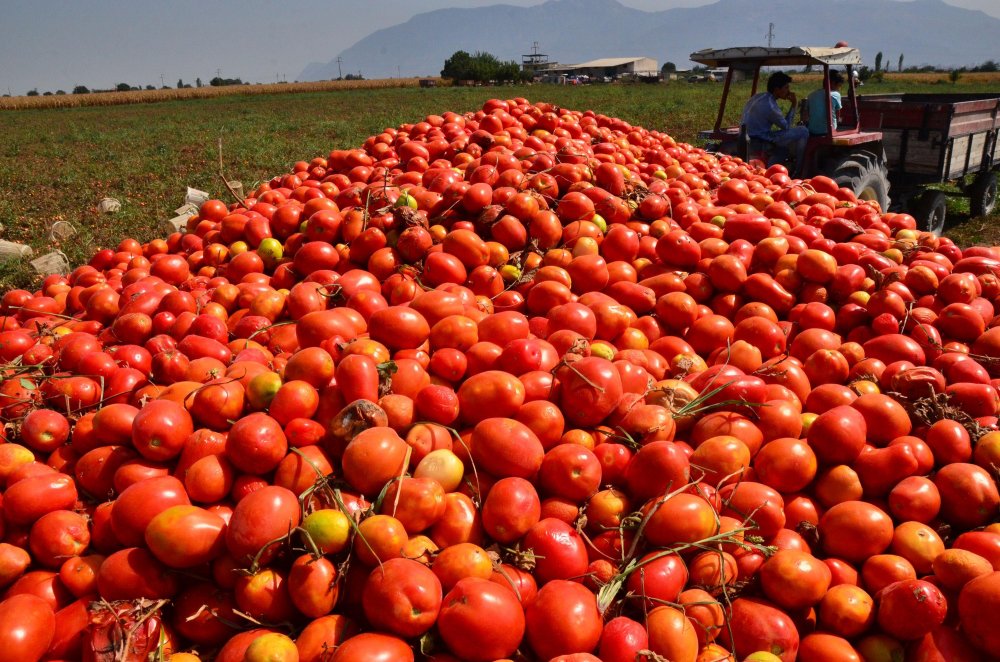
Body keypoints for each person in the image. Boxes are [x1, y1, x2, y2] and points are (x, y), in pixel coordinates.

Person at [741, 72, 809, 176]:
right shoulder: (771, 105)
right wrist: (794, 105)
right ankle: (799, 171)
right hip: (760, 137)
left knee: (783, 148)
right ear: (777, 89)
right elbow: (786, 126)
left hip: (746, 134)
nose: (788, 91)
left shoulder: (758, 96)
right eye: (786, 88)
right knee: (803, 131)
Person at [806, 70, 845, 135]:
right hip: (828, 131)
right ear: (832, 83)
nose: (839, 89)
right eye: (839, 86)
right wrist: (838, 122)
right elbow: (838, 113)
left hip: (812, 130)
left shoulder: (811, 95)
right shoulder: (836, 95)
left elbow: (808, 113)